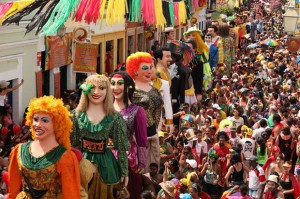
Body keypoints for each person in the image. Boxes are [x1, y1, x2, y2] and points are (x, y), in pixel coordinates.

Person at [8, 96, 80, 199]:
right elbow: (13, 190)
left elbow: (71, 194)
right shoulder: (19, 151)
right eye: (35, 119)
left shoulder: (65, 157)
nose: (38, 124)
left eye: (45, 120)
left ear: (57, 124)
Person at [71, 74, 130, 199]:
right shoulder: (76, 115)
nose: (96, 92)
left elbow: (121, 147)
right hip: (82, 164)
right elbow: (72, 144)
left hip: (106, 165)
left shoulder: (114, 117)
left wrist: (125, 171)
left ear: (107, 91)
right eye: (92, 87)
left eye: (102, 88)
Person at [110, 71, 148, 199]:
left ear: (128, 87)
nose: (116, 88)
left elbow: (142, 140)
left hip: (128, 158)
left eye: (120, 84)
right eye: (113, 84)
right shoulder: (104, 109)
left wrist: (142, 163)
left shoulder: (137, 111)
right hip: (105, 157)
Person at [126, 52, 163, 169]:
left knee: (154, 165)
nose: (149, 71)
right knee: (140, 168)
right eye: (145, 68)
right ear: (135, 70)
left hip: (153, 132)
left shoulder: (155, 90)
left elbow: (158, 112)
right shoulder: (131, 92)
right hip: (137, 135)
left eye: (151, 67)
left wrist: (156, 129)